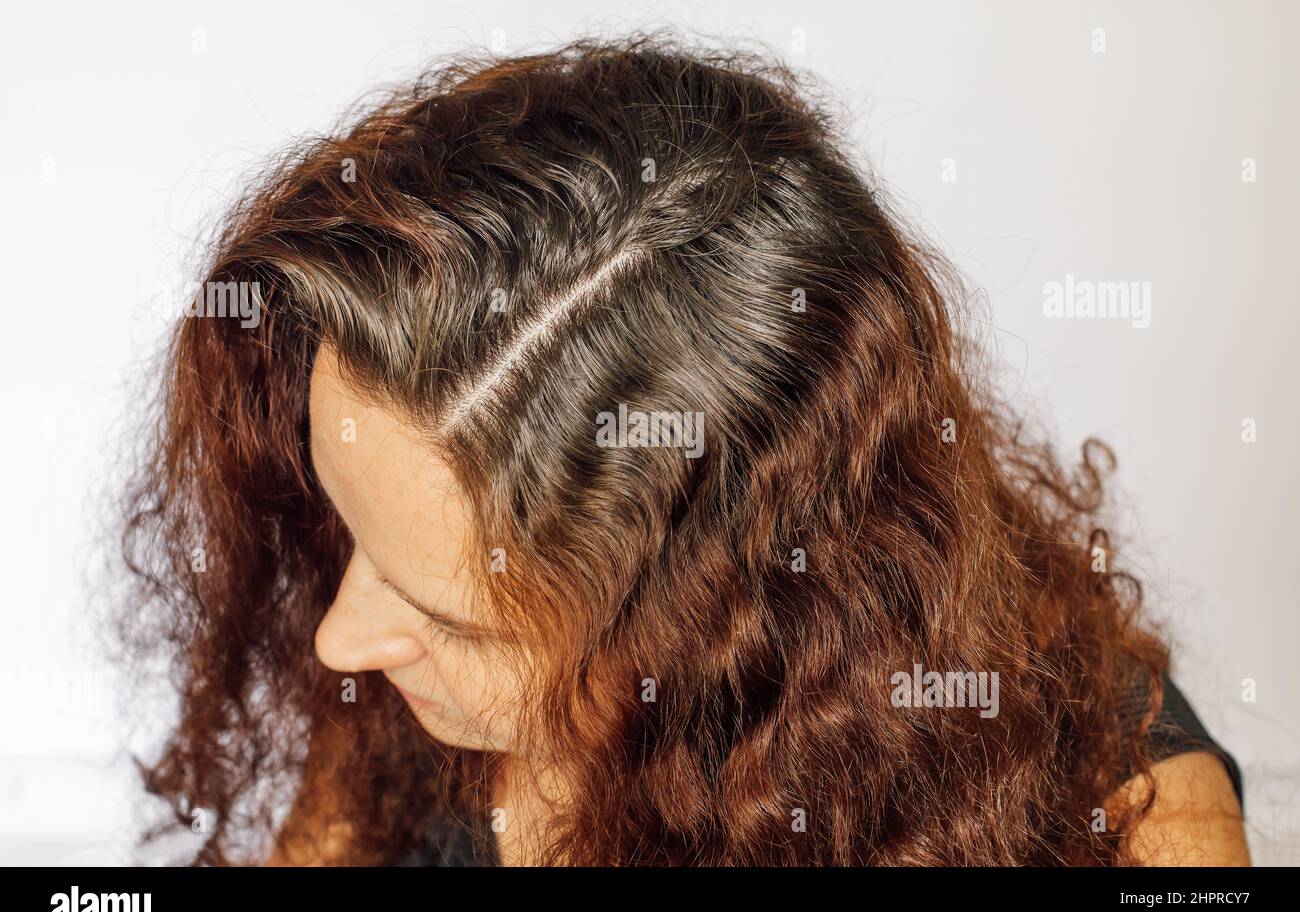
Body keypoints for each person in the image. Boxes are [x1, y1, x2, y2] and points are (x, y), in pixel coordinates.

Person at [115, 34, 1249, 866]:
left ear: (707, 609)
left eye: (454, 616)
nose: (339, 638)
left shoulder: (1148, 834)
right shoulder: (408, 696)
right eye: (353, 527)